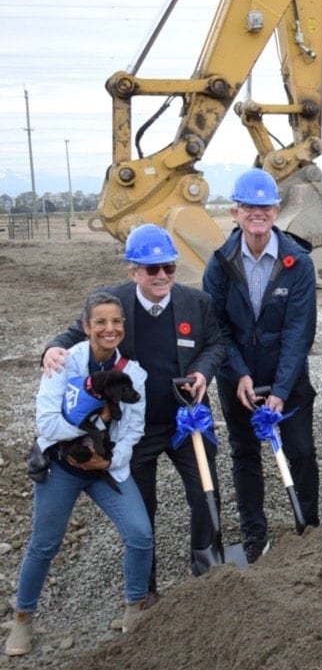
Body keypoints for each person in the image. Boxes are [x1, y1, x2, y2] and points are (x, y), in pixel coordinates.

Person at [42, 225, 226, 601]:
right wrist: (51, 349)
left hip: (187, 421)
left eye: (169, 268)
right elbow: (75, 334)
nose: (162, 276)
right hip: (136, 427)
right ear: (133, 271)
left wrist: (203, 370)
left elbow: (216, 344)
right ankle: (146, 592)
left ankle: (208, 574)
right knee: (143, 506)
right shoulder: (115, 305)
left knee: (205, 493)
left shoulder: (197, 303)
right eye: (151, 269)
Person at [5, 291, 154, 656]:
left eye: (116, 322)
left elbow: (133, 430)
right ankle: (23, 618)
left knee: (140, 535)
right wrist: (95, 423)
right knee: (45, 543)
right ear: (86, 327)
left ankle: (134, 609)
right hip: (61, 466)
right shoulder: (64, 364)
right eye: (100, 322)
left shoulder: (132, 374)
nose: (109, 329)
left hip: (105, 468)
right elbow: (47, 424)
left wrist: (109, 460)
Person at [202, 167, 319, 561]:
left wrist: (282, 391)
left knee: (301, 450)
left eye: (265, 206)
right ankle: (255, 535)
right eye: (248, 206)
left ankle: (310, 529)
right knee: (245, 454)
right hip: (239, 380)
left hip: (287, 377)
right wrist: (239, 374)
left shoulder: (297, 263)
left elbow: (298, 333)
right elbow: (216, 328)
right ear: (235, 212)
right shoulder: (220, 264)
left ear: (275, 210)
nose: (257, 213)